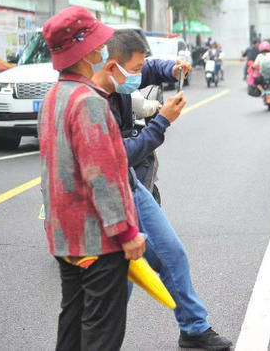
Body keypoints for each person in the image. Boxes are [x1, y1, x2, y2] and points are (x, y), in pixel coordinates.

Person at [94, 30, 233, 350]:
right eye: (136, 67)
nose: (140, 72)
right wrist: (163, 121)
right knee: (118, 283)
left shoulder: (116, 79)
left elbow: (146, 67)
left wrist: (171, 68)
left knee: (170, 254)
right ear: (113, 65)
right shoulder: (93, 102)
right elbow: (121, 155)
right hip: (111, 192)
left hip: (130, 183)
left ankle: (195, 329)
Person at [38, 6, 146, 351]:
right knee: (101, 332)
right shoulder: (90, 102)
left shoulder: (54, 97)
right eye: (99, 47)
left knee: (72, 321)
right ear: (87, 54)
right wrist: (127, 233)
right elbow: (102, 175)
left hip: (65, 238)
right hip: (97, 241)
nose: (103, 52)